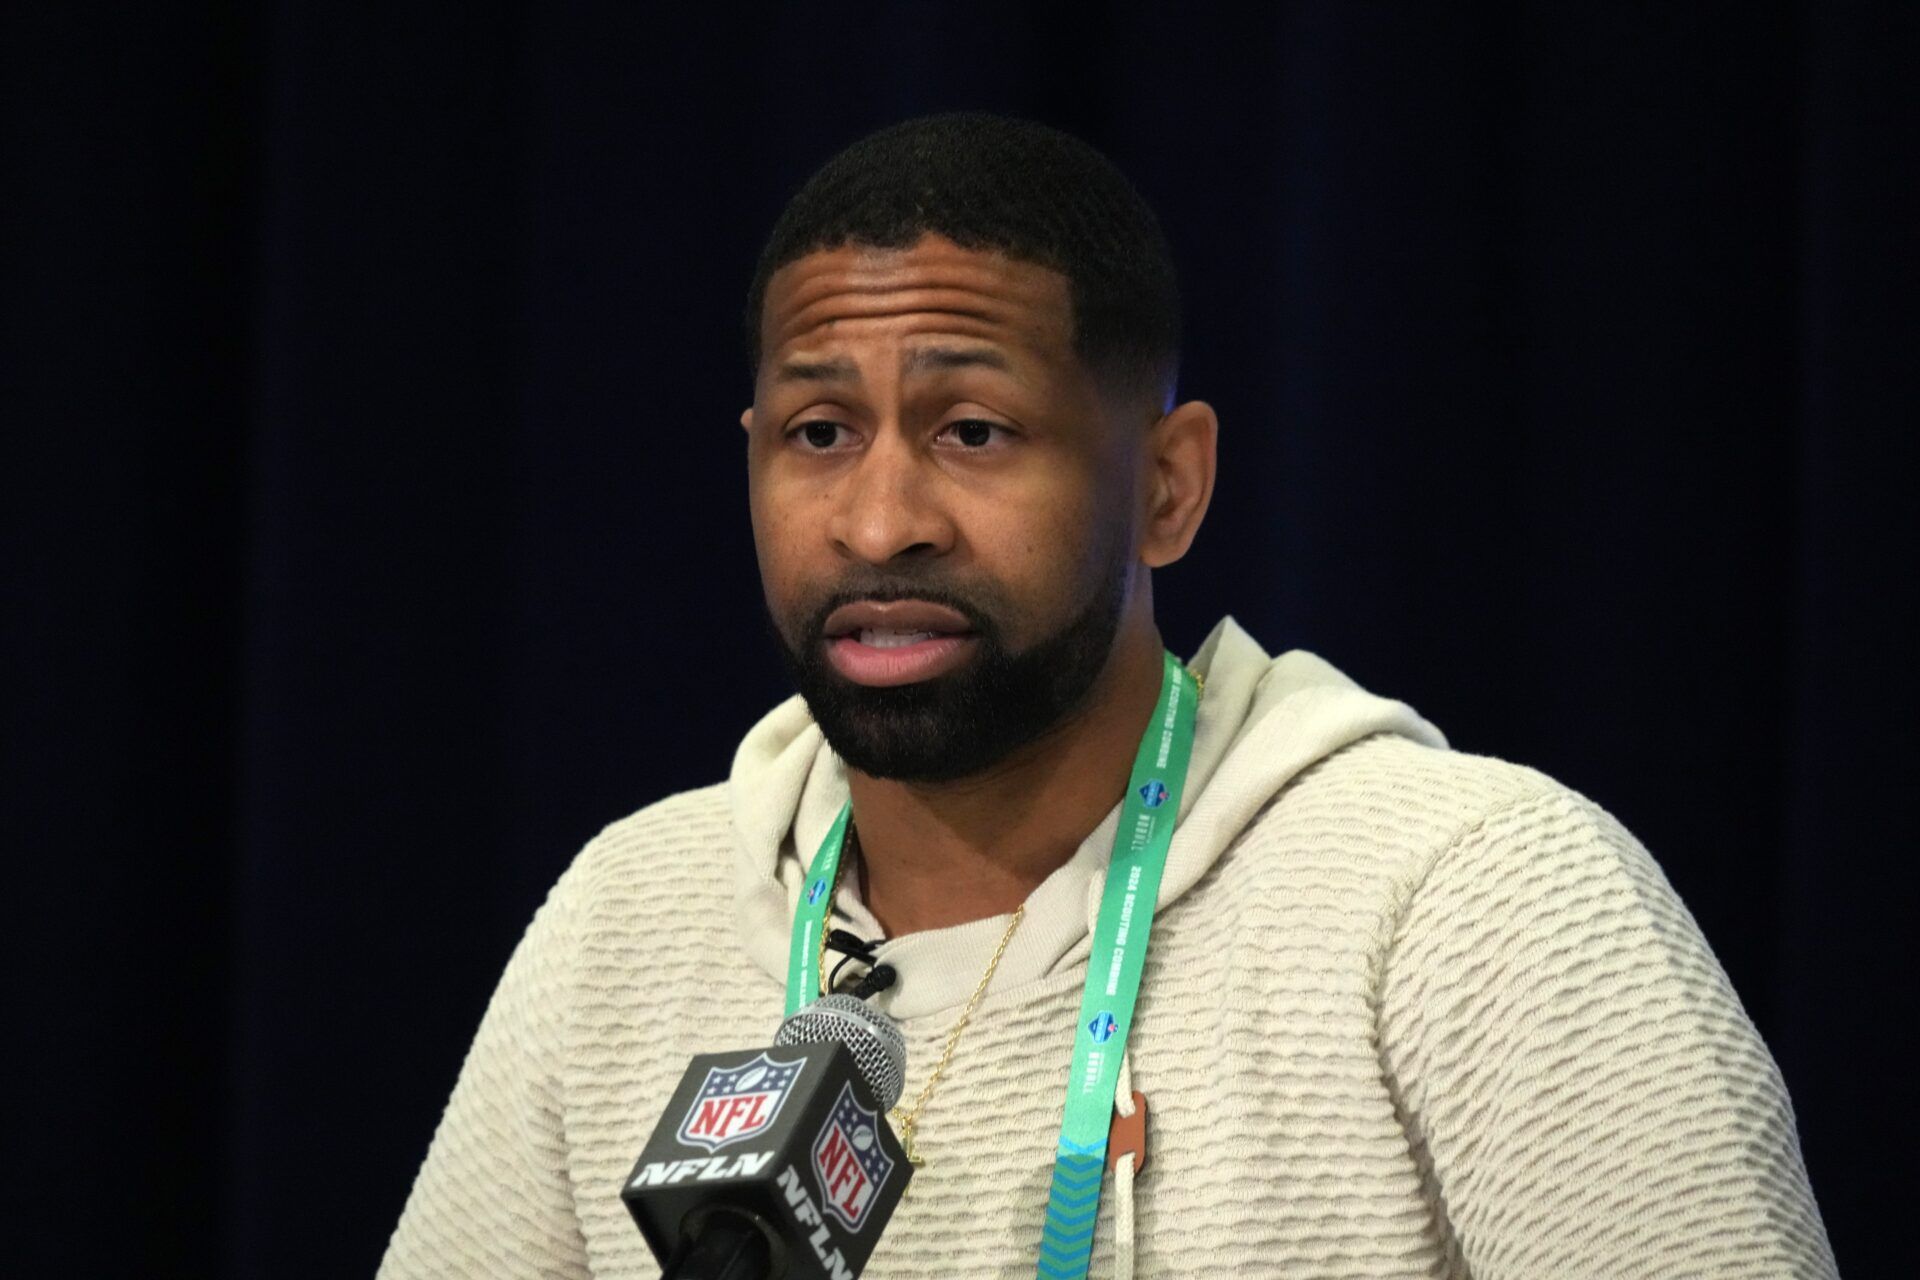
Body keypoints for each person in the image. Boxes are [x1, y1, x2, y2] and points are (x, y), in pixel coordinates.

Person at [379, 112, 1834, 1279]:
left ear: (1168, 484)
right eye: (820, 432)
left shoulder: (1471, 894)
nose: (881, 522)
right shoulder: (629, 916)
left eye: (973, 429)